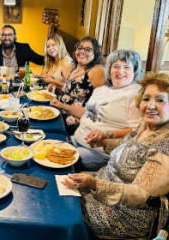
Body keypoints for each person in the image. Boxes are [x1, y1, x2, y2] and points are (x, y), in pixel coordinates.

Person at [63, 72, 169, 239]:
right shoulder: (145, 126)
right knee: (58, 189)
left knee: (64, 213)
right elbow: (123, 147)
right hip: (100, 186)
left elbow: (141, 194)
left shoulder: (165, 147)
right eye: (146, 98)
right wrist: (103, 143)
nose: (151, 105)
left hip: (123, 215)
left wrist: (95, 184)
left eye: (160, 100)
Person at [72, 49, 143, 171]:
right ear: (110, 69)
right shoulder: (102, 89)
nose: (120, 71)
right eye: (116, 66)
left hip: (100, 152)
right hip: (77, 139)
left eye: (127, 67)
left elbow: (138, 130)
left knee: (60, 159)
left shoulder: (135, 94)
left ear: (134, 71)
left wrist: (107, 134)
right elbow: (89, 113)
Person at [50, 36, 105, 135]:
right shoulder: (76, 68)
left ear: (95, 53)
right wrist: (55, 88)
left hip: (74, 124)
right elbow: (71, 92)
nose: (82, 51)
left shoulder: (96, 70)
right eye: (80, 48)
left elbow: (99, 109)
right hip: (60, 115)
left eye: (88, 49)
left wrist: (63, 106)